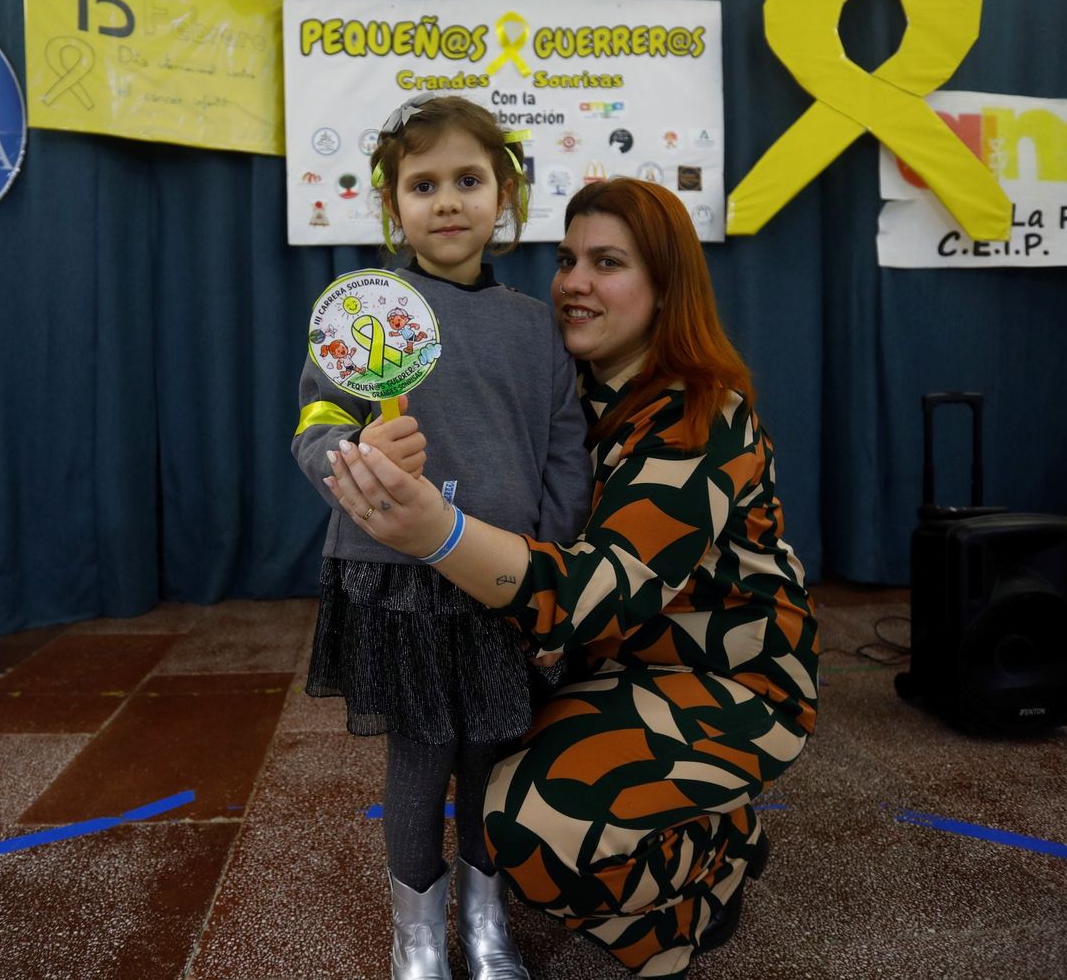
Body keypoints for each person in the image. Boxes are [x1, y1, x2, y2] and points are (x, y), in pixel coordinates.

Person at [322, 177, 819, 980]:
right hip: (601, 666)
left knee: (526, 821)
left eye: (608, 263)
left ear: (666, 291)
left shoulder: (700, 414)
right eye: (566, 260)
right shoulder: (564, 386)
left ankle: (706, 875)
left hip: (725, 679)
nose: (574, 282)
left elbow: (599, 591)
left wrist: (434, 533)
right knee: (468, 730)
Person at [292, 92, 593, 980]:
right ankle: (417, 940)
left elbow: (564, 454)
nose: (448, 201)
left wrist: (549, 568)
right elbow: (316, 425)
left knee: (494, 757)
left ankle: (486, 924)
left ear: (506, 197)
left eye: (469, 180)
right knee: (422, 760)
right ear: (394, 206)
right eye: (423, 185)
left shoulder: (535, 325)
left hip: (505, 580)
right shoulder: (368, 310)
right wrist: (353, 456)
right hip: (398, 577)